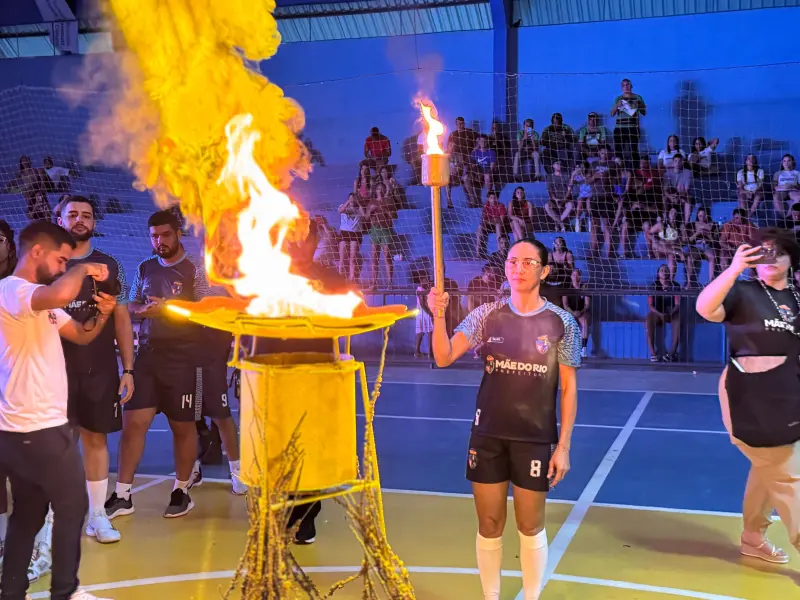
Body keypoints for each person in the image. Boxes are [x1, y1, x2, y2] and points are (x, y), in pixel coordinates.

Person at [427, 237, 581, 600]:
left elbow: (569, 388)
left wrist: (564, 447)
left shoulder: (562, 322)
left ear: (544, 271)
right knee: (490, 524)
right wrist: (437, 316)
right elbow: (444, 356)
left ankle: (531, 596)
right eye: (513, 261)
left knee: (530, 525)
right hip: (488, 437)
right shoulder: (487, 314)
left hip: (535, 438)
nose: (518, 268)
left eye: (529, 262)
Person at [0, 220, 115, 600]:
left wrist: (103, 313)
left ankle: (10, 590)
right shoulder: (13, 290)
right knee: (73, 506)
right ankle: (65, 591)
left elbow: (81, 335)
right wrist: (83, 268)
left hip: (28, 429)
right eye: (62, 259)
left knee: (29, 513)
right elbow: (61, 295)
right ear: (36, 252)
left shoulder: (40, 300)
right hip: (36, 427)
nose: (65, 267)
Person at [696, 228, 800, 564]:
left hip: (788, 394)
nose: (770, 258)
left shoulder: (796, 300)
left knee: (767, 468)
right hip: (749, 396)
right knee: (786, 474)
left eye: (778, 252)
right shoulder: (741, 291)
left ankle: (753, 538)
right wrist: (733, 268)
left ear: (790, 261)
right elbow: (704, 308)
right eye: (762, 251)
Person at [106, 210, 209, 520]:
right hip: (148, 356)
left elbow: (206, 310)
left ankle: (181, 490)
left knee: (183, 426)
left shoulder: (195, 270)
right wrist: (145, 310)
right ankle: (123, 494)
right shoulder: (144, 267)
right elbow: (133, 304)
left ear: (177, 234)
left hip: (186, 357)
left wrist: (169, 309)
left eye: (165, 235)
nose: (159, 241)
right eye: (154, 236)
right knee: (133, 424)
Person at [56, 196, 135, 546]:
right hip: (51, 366)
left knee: (95, 438)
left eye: (86, 215)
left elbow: (120, 316)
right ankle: (48, 519)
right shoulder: (47, 263)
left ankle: (98, 516)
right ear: (59, 219)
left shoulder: (109, 264)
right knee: (54, 443)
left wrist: (128, 367)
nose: (80, 220)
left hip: (98, 366)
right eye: (72, 214)